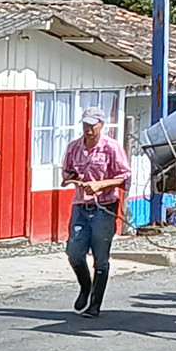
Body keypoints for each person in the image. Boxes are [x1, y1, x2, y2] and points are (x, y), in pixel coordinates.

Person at [61, 106, 131, 317]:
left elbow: (125, 177)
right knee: (74, 253)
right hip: (81, 206)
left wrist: (101, 184)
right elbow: (65, 175)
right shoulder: (74, 147)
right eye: (85, 125)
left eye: (93, 125)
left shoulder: (112, 147)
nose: (89, 129)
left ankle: (95, 304)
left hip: (104, 207)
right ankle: (85, 286)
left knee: (101, 257)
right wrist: (75, 178)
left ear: (101, 125)